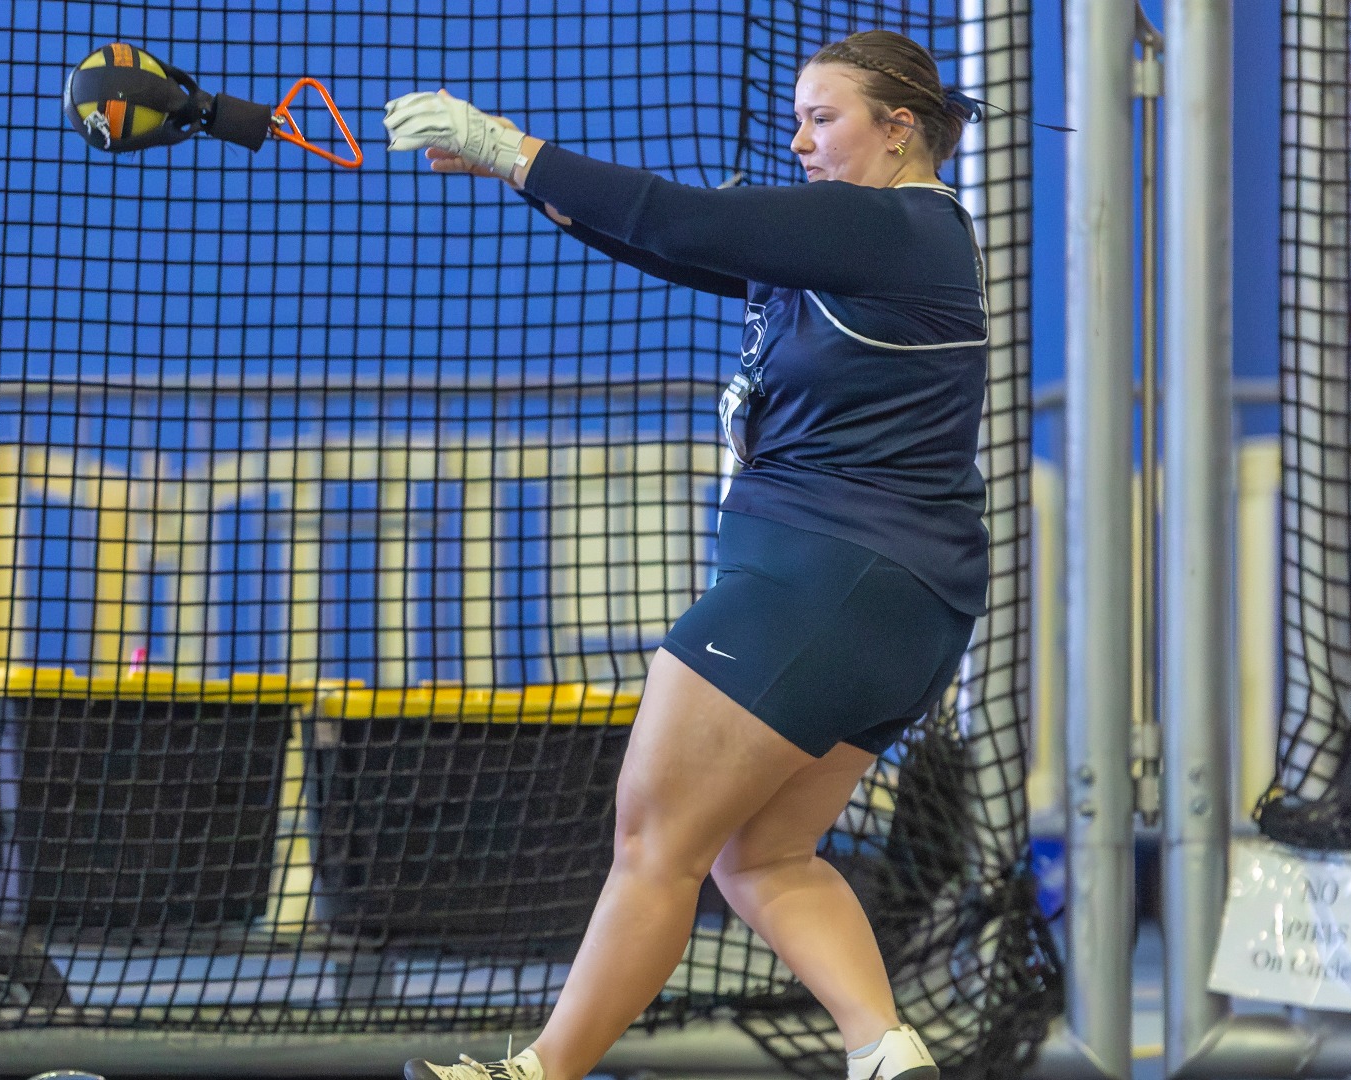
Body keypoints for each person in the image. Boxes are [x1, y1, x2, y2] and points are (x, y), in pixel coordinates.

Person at [383, 29, 988, 1080]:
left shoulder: (889, 226)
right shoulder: (873, 242)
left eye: (824, 118)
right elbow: (667, 244)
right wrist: (518, 174)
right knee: (763, 855)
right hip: (899, 603)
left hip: (820, 579)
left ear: (899, 132)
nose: (801, 141)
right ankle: (886, 1055)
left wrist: (510, 143)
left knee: (653, 842)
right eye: (797, 118)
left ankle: (541, 1073)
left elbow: (683, 214)